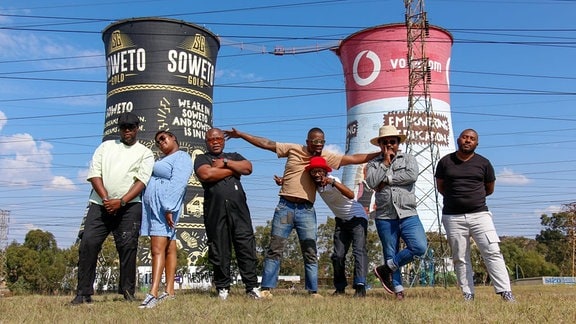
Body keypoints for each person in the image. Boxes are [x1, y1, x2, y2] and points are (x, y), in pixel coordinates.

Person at [225, 127, 379, 298]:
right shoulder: (294, 149)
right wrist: (241, 135)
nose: (319, 145)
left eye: (322, 142)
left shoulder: (325, 158)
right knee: (275, 247)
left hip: (306, 210)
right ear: (307, 142)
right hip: (286, 207)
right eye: (315, 142)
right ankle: (267, 288)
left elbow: (353, 159)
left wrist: (377, 153)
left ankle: (313, 291)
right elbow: (267, 144)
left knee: (310, 250)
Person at [71, 112, 154, 305]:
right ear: (119, 129)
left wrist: (122, 201)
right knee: (88, 244)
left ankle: (127, 292)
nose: (127, 131)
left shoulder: (145, 152)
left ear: (137, 128)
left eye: (131, 127)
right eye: (124, 127)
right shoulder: (105, 147)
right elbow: (94, 174)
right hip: (100, 204)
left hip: (130, 207)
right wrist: (107, 198)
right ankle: (83, 293)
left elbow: (142, 181)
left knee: (127, 247)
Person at [435, 128, 515, 302]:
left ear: (477, 143)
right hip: (453, 217)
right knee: (460, 257)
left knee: (492, 251)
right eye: (465, 137)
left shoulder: (484, 163)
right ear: (458, 139)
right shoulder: (445, 162)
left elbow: (489, 188)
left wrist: (472, 199)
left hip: (480, 215)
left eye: (472, 138)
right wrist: (457, 199)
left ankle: (506, 292)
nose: (468, 140)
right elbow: (441, 187)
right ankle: (467, 294)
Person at [194, 128, 261, 300]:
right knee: (219, 249)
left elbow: (248, 167)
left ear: (223, 140)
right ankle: (222, 288)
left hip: (239, 209)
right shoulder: (202, 158)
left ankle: (252, 287)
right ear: (206, 142)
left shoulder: (234, 155)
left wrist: (225, 163)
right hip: (215, 210)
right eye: (211, 139)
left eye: (218, 138)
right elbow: (206, 174)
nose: (215, 142)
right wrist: (234, 170)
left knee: (245, 245)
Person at [366, 125, 427, 301]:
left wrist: (386, 179)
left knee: (419, 247)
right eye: (385, 142)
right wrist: (385, 162)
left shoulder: (408, 159)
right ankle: (398, 291)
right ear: (380, 145)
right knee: (390, 251)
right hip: (385, 215)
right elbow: (371, 182)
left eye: (392, 142)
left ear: (398, 143)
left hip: (408, 212)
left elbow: (412, 175)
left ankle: (386, 269)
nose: (389, 145)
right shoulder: (374, 163)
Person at [139, 131, 193, 308]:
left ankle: (152, 293)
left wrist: (169, 207)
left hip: (164, 207)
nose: (160, 142)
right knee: (169, 247)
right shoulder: (163, 160)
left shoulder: (181, 157)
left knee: (157, 249)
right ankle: (169, 291)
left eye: (163, 138)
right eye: (157, 142)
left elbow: (179, 183)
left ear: (174, 138)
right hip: (157, 207)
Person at [303, 156, 369, 297]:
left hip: (357, 218)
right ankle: (340, 288)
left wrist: (332, 182)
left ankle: (360, 286)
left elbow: (351, 195)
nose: (316, 174)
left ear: (325, 172)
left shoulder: (334, 180)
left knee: (358, 251)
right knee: (337, 256)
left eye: (320, 171)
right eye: (313, 172)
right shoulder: (315, 185)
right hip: (341, 221)